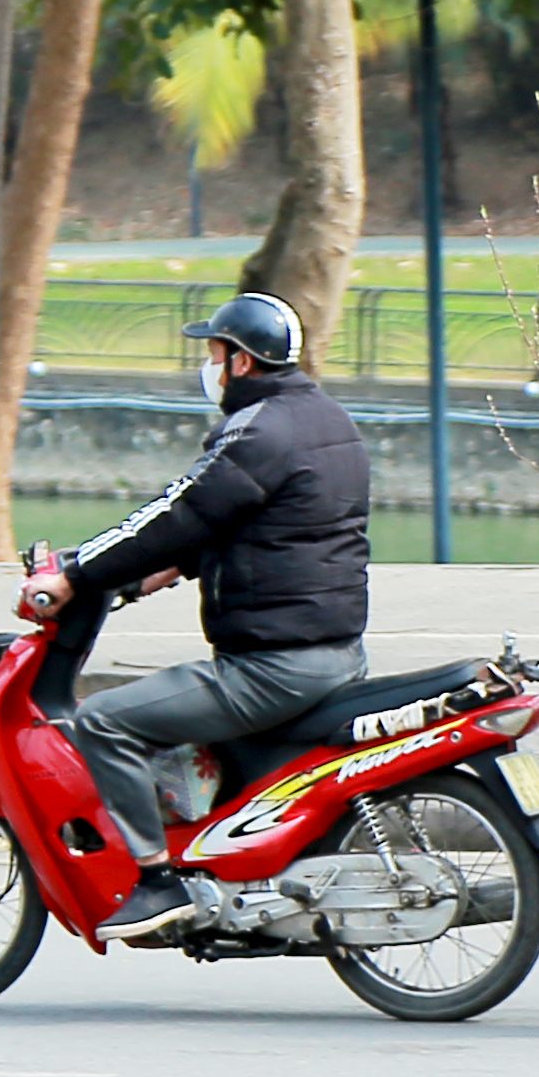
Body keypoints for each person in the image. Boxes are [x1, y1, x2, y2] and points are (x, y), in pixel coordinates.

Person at [25, 290, 371, 945]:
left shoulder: (258, 431)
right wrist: (172, 570)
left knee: (104, 720)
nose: (208, 365)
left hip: (274, 666)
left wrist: (74, 574)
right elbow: (272, 525)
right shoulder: (327, 420)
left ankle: (156, 882)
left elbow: (176, 513)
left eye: (213, 352)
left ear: (241, 361)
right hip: (334, 651)